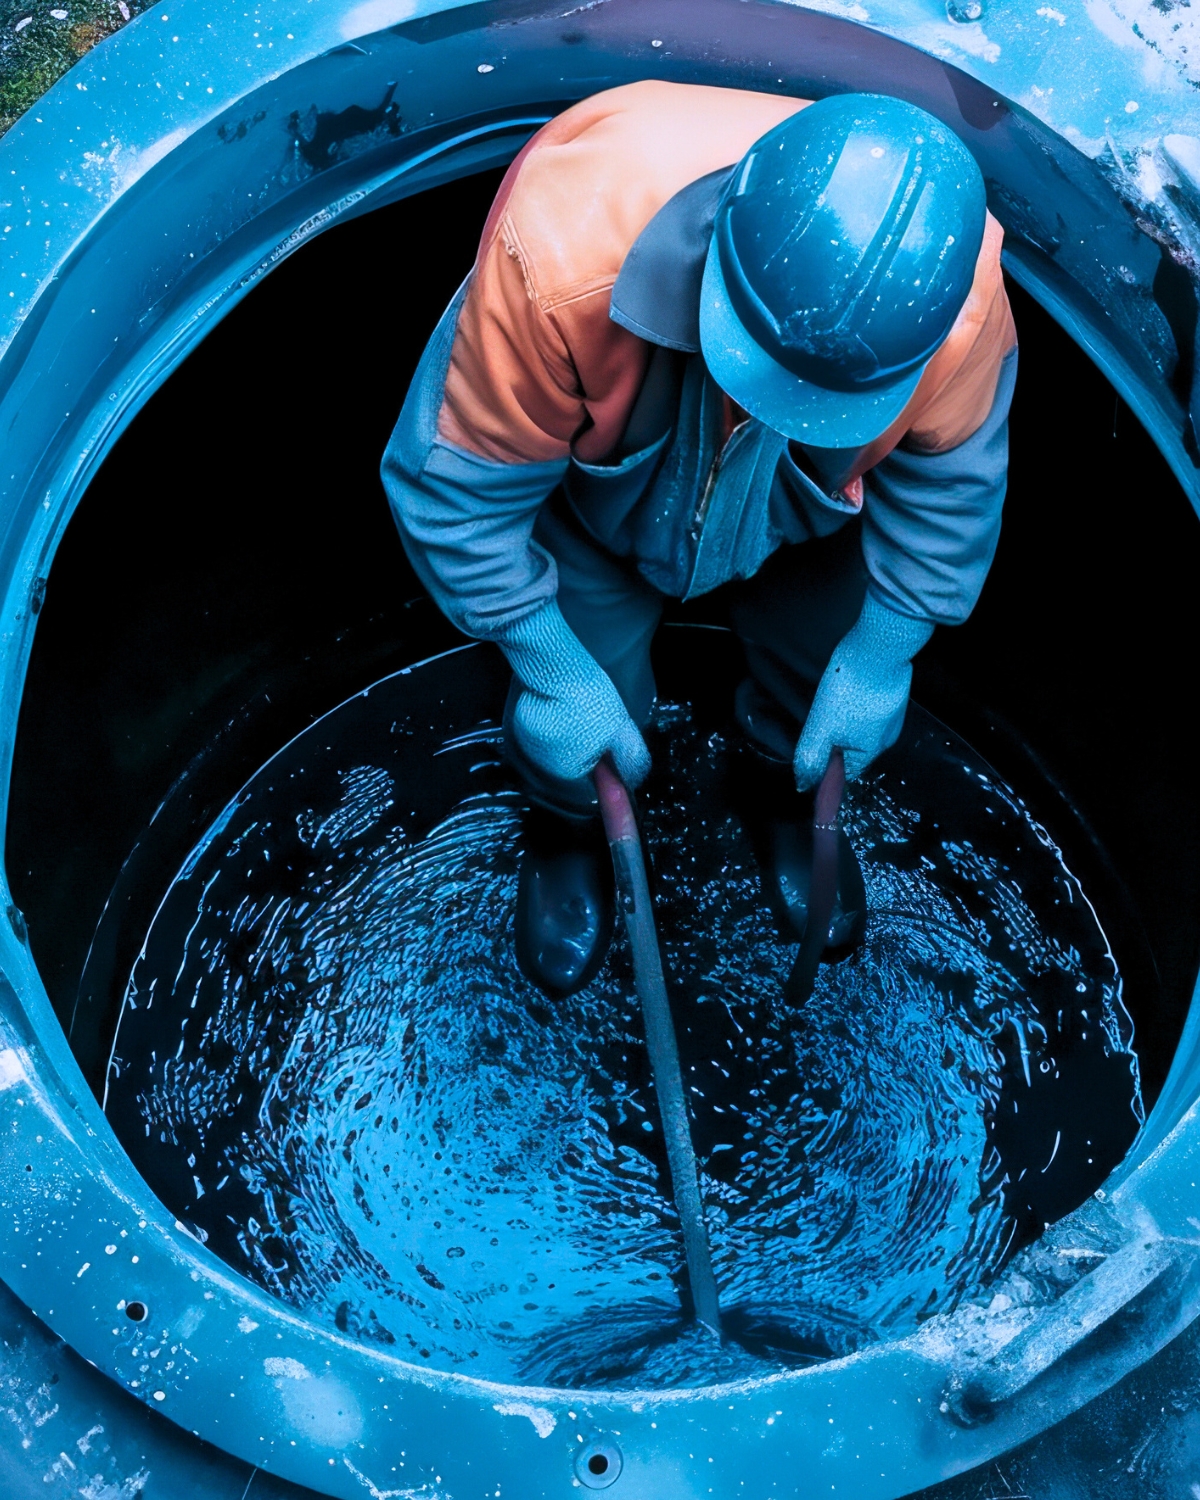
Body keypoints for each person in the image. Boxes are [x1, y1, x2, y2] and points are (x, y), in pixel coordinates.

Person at [382, 81, 1017, 997]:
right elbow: (458, 496)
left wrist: (884, 653)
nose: (773, 407)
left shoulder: (955, 302)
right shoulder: (562, 254)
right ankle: (570, 828)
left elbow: (951, 494)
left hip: (809, 512)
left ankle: (786, 794)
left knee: (826, 673)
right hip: (603, 505)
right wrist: (547, 663)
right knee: (583, 714)